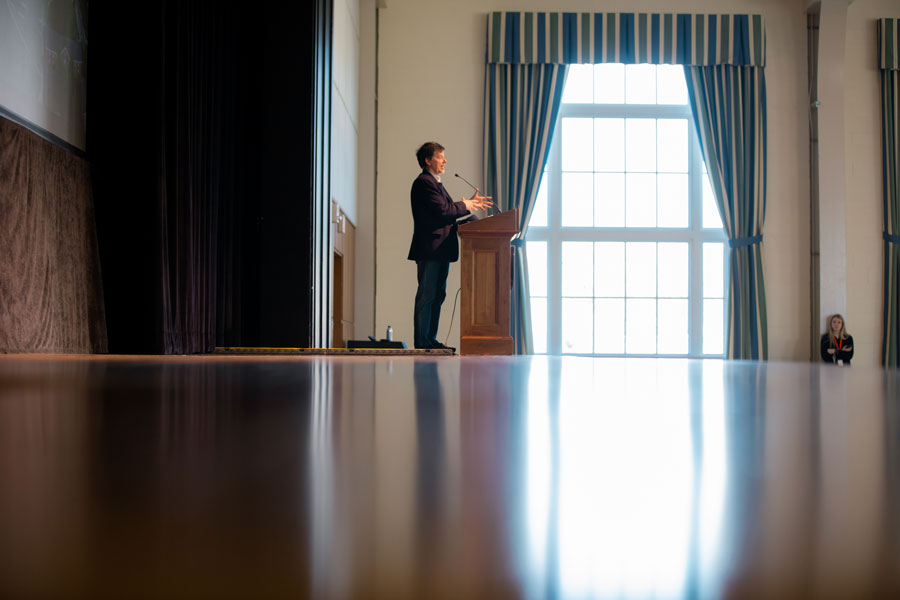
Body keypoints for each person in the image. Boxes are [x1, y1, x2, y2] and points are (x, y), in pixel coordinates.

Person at [407, 142, 492, 350]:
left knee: (438, 295)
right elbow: (443, 212)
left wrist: (466, 211)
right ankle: (422, 343)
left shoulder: (436, 183)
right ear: (428, 160)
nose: (445, 161)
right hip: (431, 249)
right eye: (440, 156)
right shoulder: (423, 183)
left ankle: (430, 340)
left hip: (440, 249)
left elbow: (445, 215)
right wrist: (466, 206)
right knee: (427, 295)